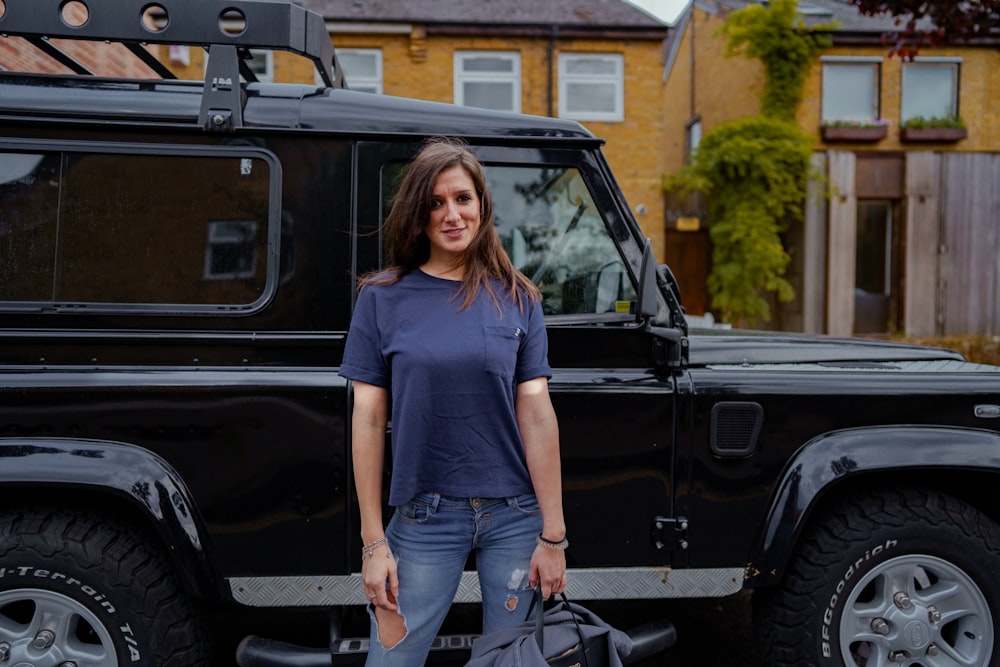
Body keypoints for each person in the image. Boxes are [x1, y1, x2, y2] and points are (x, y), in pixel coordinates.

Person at [340, 137, 567, 667]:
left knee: (511, 661)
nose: (452, 214)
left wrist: (553, 536)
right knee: (391, 661)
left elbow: (536, 414)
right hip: (424, 517)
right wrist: (374, 544)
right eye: (436, 203)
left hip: (515, 516)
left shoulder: (517, 297)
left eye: (463, 199)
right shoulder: (381, 297)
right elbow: (369, 421)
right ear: (417, 214)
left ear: (482, 205)